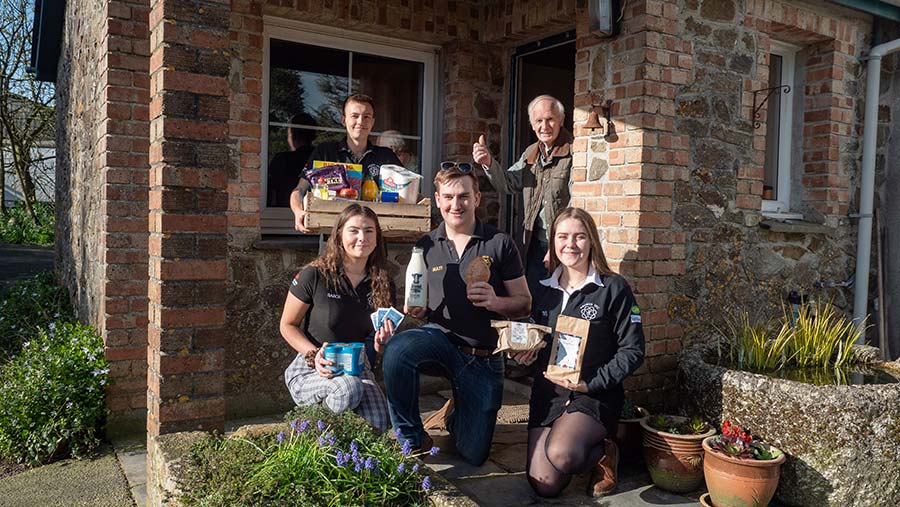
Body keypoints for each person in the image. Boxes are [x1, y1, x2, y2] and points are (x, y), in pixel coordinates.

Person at [382, 163, 531, 466]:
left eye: (463, 196)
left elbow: (525, 303)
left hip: (484, 357)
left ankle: (455, 411)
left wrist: (496, 302)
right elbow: (418, 302)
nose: (456, 204)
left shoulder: (499, 243)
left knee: (472, 453)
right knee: (398, 350)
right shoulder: (425, 246)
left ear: (477, 198)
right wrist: (417, 311)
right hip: (441, 345)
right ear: (437, 200)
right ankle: (411, 437)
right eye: (448, 197)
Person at [515, 207, 645, 498]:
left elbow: (633, 349)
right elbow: (538, 340)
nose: (570, 244)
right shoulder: (542, 290)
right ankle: (579, 447)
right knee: (544, 484)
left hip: (594, 394)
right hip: (550, 396)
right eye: (563, 237)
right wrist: (525, 352)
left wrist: (591, 383)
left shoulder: (613, 288)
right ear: (553, 242)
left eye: (579, 237)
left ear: (592, 242)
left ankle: (605, 454)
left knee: (563, 455)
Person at [280, 204, 397, 431]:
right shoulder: (315, 274)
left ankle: (348, 461)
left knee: (380, 421)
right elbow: (287, 325)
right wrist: (313, 355)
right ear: (339, 236)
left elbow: (376, 342)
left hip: (357, 368)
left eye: (369, 231)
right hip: (312, 368)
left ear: (377, 237)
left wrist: (381, 343)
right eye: (353, 230)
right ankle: (313, 439)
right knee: (347, 389)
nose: (362, 237)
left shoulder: (383, 283)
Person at [472, 94, 574, 293]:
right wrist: (488, 163)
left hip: (563, 246)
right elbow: (508, 184)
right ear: (532, 124)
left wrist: (558, 243)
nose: (544, 126)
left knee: (561, 297)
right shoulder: (531, 153)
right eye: (539, 121)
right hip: (533, 243)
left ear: (561, 120)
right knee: (534, 300)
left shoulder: (575, 152)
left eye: (550, 119)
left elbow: (576, 205)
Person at [289, 94, 402, 232]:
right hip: (332, 236)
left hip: (375, 240)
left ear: (372, 122)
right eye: (354, 116)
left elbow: (408, 192)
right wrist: (297, 210)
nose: (360, 121)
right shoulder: (325, 152)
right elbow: (299, 190)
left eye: (366, 117)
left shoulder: (386, 156)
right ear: (343, 120)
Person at [267, 113, 316, 207]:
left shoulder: (282, 160)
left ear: (292, 136)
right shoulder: (321, 157)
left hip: (281, 211)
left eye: (289, 133)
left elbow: (269, 191)